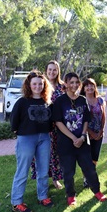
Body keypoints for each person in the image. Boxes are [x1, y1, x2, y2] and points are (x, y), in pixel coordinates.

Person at [53, 73, 107, 206]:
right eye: (71, 82)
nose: (74, 85)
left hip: (82, 142)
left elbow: (86, 120)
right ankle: (71, 195)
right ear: (65, 83)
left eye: (77, 82)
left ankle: (97, 191)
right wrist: (73, 138)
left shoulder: (82, 100)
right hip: (66, 143)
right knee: (68, 171)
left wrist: (82, 136)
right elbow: (58, 122)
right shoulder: (60, 101)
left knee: (89, 168)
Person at [10, 70, 54, 212]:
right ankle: (17, 202)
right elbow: (13, 121)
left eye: (40, 83)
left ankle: (43, 196)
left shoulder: (47, 101)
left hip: (44, 138)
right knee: (22, 171)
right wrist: (19, 132)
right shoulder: (22, 101)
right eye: (34, 83)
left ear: (44, 85)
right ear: (29, 85)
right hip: (26, 139)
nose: (37, 86)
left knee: (43, 170)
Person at [31, 60, 64, 189]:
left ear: (58, 71)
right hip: (44, 125)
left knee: (56, 153)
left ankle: (56, 179)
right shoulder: (41, 85)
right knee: (43, 153)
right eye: (49, 69)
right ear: (46, 70)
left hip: (59, 126)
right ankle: (42, 178)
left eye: (54, 69)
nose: (52, 72)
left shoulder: (62, 86)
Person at [80, 78, 105, 188]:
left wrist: (101, 131)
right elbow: (81, 119)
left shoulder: (99, 100)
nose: (89, 88)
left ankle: (91, 176)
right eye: (87, 86)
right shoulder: (81, 101)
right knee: (86, 158)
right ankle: (86, 178)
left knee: (95, 157)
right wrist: (90, 132)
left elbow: (103, 116)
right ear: (83, 88)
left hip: (99, 133)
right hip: (86, 133)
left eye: (92, 85)